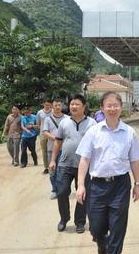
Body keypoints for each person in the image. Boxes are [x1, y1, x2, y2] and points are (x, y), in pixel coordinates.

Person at [75, 92, 139, 254]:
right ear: (102, 109)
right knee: (96, 228)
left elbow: (134, 160)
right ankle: (100, 242)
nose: (112, 109)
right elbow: (84, 160)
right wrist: (80, 185)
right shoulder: (94, 132)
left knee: (117, 230)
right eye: (108, 105)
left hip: (120, 185)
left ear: (121, 108)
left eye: (116, 105)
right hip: (96, 185)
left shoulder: (129, 132)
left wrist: (138, 184)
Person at [49, 94, 96, 233]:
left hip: (84, 165)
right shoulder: (64, 122)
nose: (73, 107)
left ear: (84, 106)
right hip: (65, 164)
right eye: (72, 104)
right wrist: (53, 160)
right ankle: (64, 218)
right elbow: (58, 142)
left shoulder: (92, 124)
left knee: (83, 194)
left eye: (77, 104)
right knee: (62, 191)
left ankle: (80, 222)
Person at [42, 98, 68, 199]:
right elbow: (45, 132)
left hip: (64, 149)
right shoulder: (48, 119)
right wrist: (57, 139)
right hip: (51, 149)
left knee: (63, 171)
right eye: (55, 105)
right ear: (52, 107)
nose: (57, 107)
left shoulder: (67, 118)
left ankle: (62, 190)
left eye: (59, 105)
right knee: (53, 172)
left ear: (62, 106)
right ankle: (54, 190)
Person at [36, 99, 53, 174]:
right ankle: (46, 167)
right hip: (43, 134)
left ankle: (52, 165)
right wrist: (42, 130)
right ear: (43, 104)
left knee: (52, 151)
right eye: (45, 105)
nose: (47, 106)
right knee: (44, 151)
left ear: (51, 105)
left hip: (52, 134)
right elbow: (38, 124)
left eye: (48, 105)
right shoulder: (39, 112)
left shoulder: (53, 112)